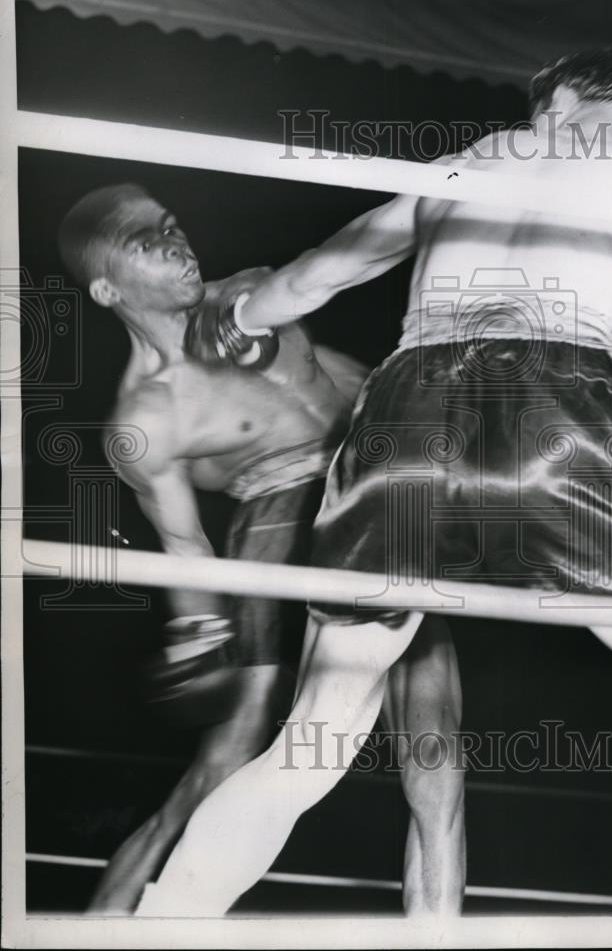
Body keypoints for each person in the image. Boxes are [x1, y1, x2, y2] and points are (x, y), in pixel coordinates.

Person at [136, 49, 612, 917]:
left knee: (312, 744)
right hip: (557, 407)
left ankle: (161, 922)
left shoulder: (473, 161)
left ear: (557, 102)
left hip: (405, 417)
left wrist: (233, 316)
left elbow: (321, 274)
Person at [56, 184, 465, 915]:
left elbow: (354, 382)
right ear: (106, 286)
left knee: (434, 742)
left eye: (173, 223)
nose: (177, 242)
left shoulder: (253, 295)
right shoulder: (144, 420)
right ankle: (110, 929)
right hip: (276, 528)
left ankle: (436, 934)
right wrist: (199, 638)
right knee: (226, 759)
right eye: (147, 239)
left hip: (379, 498)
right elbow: (183, 544)